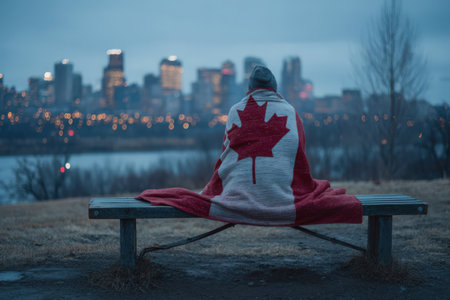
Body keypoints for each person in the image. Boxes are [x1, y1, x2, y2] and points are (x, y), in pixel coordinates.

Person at [137, 66, 362, 226]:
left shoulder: (236, 110)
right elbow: (300, 161)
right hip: (284, 198)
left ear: (250, 87)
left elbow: (225, 156)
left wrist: (214, 189)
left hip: (236, 196)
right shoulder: (291, 112)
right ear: (275, 88)